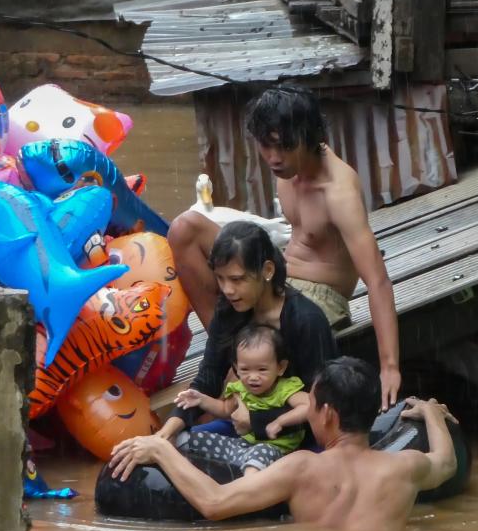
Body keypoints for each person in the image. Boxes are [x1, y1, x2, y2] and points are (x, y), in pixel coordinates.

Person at [168, 85, 401, 411]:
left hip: (320, 296)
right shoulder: (287, 171)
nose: (274, 158)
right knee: (184, 230)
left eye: (285, 147)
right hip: (279, 273)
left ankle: (245, 366)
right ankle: (232, 355)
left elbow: (377, 280)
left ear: (308, 137)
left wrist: (389, 367)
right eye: (267, 146)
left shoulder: (338, 191)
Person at [109, 357, 460, 531]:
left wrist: (161, 449)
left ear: (329, 415)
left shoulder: (302, 468)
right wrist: (431, 412)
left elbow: (214, 503)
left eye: (312, 404)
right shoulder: (407, 467)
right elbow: (447, 463)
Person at [155, 220, 338, 443]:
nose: (227, 290)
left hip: (294, 438)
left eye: (237, 279)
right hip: (246, 429)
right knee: (183, 442)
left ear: (267, 271)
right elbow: (209, 377)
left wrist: (256, 420)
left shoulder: (306, 320)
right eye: (220, 278)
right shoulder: (229, 310)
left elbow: (322, 404)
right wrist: (168, 430)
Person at [175, 324, 310, 475]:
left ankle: (248, 488)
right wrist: (201, 400)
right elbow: (225, 409)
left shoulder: (285, 388)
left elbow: (309, 405)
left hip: (277, 453)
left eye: (262, 369)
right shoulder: (240, 388)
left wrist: (280, 421)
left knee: (259, 454)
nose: (253, 377)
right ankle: (181, 472)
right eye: (245, 369)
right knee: (185, 438)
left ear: (280, 367)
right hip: (242, 447)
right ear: (236, 367)